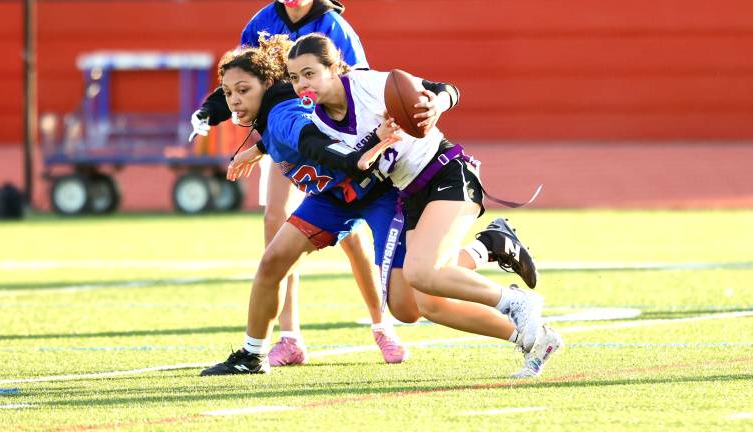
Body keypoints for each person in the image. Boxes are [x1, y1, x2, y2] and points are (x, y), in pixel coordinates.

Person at [199, 35, 559, 379]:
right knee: (409, 304)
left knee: (420, 285)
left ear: (334, 67)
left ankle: (509, 292)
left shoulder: (365, 86)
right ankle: (510, 292)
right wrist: (261, 148)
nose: (302, 84)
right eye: (295, 78)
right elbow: (314, 137)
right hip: (372, 193)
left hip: (418, 180)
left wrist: (435, 104)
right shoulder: (312, 109)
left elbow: (441, 91)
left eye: (310, 74)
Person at [189, 0, 406, 365]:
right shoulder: (263, 23)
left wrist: (356, 156)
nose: (234, 101)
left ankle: (382, 323)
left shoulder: (334, 29)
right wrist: (216, 115)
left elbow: (339, 106)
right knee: (275, 239)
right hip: (314, 170)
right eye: (229, 95)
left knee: (398, 284)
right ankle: (277, 341)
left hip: (352, 164)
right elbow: (243, 76)